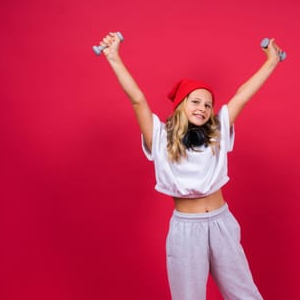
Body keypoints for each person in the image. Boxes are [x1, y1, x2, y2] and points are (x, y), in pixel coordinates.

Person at [98, 32, 284, 300]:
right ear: (181, 105)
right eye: (195, 101)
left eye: (208, 104)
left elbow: (242, 96)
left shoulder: (217, 132)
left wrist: (271, 62)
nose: (203, 108)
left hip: (222, 222)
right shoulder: (159, 136)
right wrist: (114, 57)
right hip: (186, 229)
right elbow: (137, 99)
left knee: (245, 295)